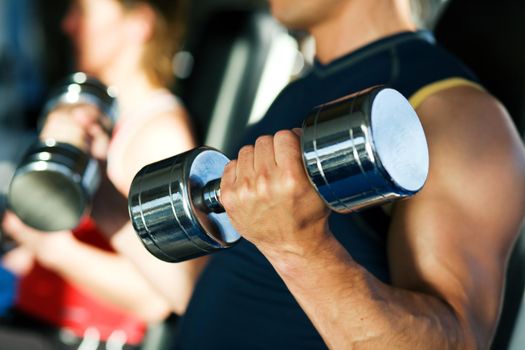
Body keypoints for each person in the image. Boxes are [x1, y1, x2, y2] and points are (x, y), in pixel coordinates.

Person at [166, 0, 525, 349]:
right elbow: (237, 284)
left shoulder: (457, 113)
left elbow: (456, 342)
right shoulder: (300, 90)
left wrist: (298, 247)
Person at [0, 0, 198, 348]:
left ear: (140, 24)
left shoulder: (158, 133)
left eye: (85, 12)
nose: (69, 25)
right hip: (30, 318)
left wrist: (54, 250)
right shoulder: (91, 116)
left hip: (81, 338)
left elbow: (159, 298)